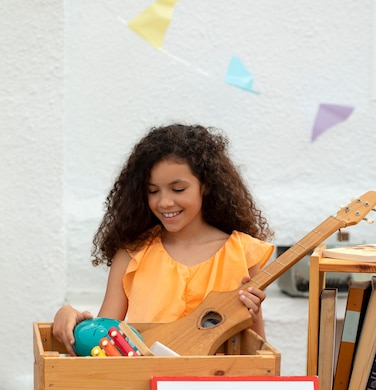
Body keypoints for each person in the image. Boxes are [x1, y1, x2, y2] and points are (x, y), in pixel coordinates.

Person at [53, 123, 275, 355]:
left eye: (178, 189)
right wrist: (70, 318)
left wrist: (253, 311)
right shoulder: (131, 255)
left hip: (216, 388)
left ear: (206, 186)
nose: (164, 202)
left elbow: (257, 352)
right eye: (153, 191)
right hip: (146, 387)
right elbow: (106, 343)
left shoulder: (242, 253)